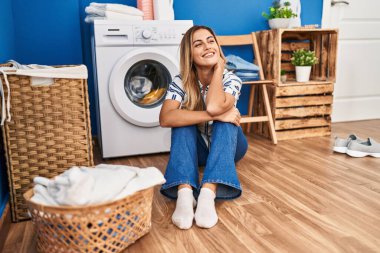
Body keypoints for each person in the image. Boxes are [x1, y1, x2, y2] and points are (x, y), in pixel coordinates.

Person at [159, 25, 248, 229]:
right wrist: (211, 115)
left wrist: (218, 70)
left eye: (210, 41)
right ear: (190, 55)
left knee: (226, 122)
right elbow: (165, 118)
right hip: (198, 149)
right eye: (198, 44)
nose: (207, 47)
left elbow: (215, 105)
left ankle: (208, 192)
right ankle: (185, 192)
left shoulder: (231, 79)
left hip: (231, 147)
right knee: (182, 122)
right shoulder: (181, 81)